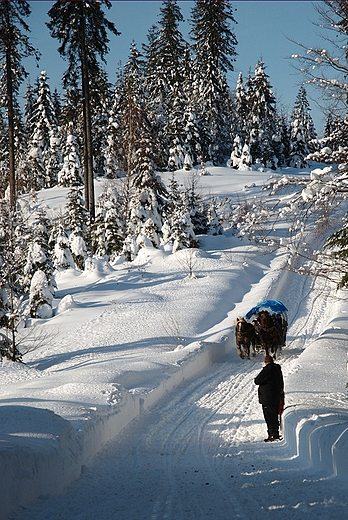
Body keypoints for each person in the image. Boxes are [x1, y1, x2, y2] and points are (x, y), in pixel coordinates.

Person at [254, 354, 284, 442]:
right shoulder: (277, 369)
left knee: (269, 417)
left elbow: (257, 380)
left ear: (266, 362)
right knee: (274, 416)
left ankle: (273, 435)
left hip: (268, 398)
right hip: (275, 397)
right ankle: (274, 434)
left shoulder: (268, 370)